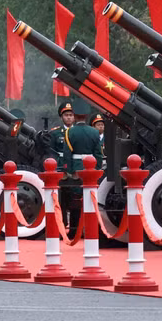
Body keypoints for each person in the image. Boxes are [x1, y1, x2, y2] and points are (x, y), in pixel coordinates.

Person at [51, 98, 103, 233]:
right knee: (86, 200)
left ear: (75, 115)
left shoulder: (70, 132)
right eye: (66, 115)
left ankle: (74, 229)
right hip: (90, 170)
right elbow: (98, 154)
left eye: (70, 114)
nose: (69, 117)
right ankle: (85, 228)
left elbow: (68, 154)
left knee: (73, 200)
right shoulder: (94, 132)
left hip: (74, 170)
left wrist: (69, 170)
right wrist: (97, 169)